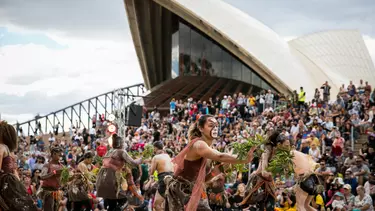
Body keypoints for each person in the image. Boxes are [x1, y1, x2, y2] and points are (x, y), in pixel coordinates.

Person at [164, 115, 256, 211]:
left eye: (216, 126)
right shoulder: (198, 144)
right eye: (211, 125)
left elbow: (206, 178)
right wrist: (244, 159)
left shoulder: (209, 149)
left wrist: (220, 170)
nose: (215, 128)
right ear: (200, 128)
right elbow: (220, 156)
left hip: (195, 191)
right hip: (181, 190)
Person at [240, 131, 289, 210]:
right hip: (259, 182)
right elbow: (264, 173)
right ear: (279, 145)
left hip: (269, 182)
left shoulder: (282, 155)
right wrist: (277, 173)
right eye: (286, 145)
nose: (288, 147)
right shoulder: (266, 152)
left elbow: (285, 173)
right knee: (259, 207)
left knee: (271, 207)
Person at [96, 133, 142, 211]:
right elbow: (134, 163)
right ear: (121, 143)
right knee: (124, 202)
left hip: (102, 180)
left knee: (112, 205)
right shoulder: (121, 151)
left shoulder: (109, 151)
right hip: (111, 179)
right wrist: (142, 158)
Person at [0, 121, 37, 211]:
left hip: (2, 183)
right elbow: (14, 172)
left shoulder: (1, 147)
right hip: (12, 182)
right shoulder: (10, 152)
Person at [149, 141, 174, 211]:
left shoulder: (156, 157)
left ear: (155, 148)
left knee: (156, 205)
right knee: (166, 205)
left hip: (164, 179)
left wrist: (150, 168)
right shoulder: (168, 156)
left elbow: (151, 172)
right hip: (172, 179)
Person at [39, 147, 64, 211]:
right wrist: (54, 173)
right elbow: (42, 177)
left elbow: (66, 180)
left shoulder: (62, 166)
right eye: (59, 155)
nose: (60, 156)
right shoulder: (47, 165)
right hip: (48, 192)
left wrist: (74, 176)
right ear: (53, 154)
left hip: (57, 192)